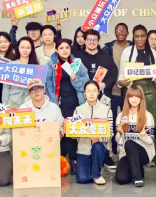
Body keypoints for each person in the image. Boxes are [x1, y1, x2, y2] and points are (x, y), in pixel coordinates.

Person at [117, 25, 156, 161]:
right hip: (133, 91)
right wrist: (122, 82)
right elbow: (121, 75)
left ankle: (152, 155)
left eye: (142, 36)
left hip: (150, 90)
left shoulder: (153, 52)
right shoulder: (127, 52)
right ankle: (130, 152)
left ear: (146, 36)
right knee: (132, 120)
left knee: (151, 121)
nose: (140, 39)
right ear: (133, 37)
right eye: (137, 36)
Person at [46, 39, 89, 170]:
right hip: (58, 101)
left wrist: (75, 79)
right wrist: (53, 104)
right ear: (56, 50)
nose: (64, 50)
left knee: (72, 129)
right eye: (61, 48)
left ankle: (74, 159)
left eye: (67, 48)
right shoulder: (51, 64)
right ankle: (60, 159)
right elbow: (48, 85)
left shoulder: (77, 63)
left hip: (75, 100)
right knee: (60, 129)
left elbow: (86, 82)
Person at [73, 81, 114, 184]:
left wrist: (98, 138)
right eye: (88, 91)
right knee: (83, 179)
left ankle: (96, 175)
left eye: (94, 91)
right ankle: (92, 169)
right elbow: (73, 134)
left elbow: (110, 133)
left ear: (98, 92)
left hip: (101, 149)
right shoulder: (78, 110)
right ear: (84, 93)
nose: (91, 94)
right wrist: (83, 134)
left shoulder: (107, 110)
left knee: (98, 146)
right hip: (83, 150)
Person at [114, 85, 155, 187]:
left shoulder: (147, 115)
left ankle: (137, 178)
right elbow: (117, 140)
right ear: (127, 98)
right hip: (126, 153)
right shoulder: (121, 116)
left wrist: (143, 136)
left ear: (141, 98)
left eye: (137, 96)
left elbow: (150, 141)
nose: (134, 99)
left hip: (144, 152)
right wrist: (120, 133)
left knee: (129, 143)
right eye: (131, 96)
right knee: (121, 179)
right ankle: (138, 169)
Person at [103, 22, 132, 134]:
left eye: (123, 30)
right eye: (118, 31)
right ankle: (115, 143)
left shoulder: (133, 47)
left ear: (127, 33)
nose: (120, 33)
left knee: (129, 120)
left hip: (129, 91)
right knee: (113, 120)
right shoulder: (107, 49)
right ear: (115, 33)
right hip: (113, 91)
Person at [79, 29, 119, 103]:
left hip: (102, 96)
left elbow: (114, 73)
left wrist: (105, 84)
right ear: (84, 41)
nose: (92, 42)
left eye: (95, 40)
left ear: (98, 41)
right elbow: (74, 76)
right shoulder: (78, 57)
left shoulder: (106, 56)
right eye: (89, 39)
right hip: (82, 96)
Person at [6, 36, 40, 107]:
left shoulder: (36, 67)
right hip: (13, 101)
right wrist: (5, 104)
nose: (25, 50)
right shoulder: (11, 65)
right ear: (18, 48)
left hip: (31, 101)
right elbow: (6, 87)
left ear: (31, 49)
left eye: (28, 48)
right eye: (22, 47)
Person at [0, 31, 19, 104]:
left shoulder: (15, 57)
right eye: (0, 42)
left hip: (9, 89)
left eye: (5, 42)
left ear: (9, 43)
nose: (3, 44)